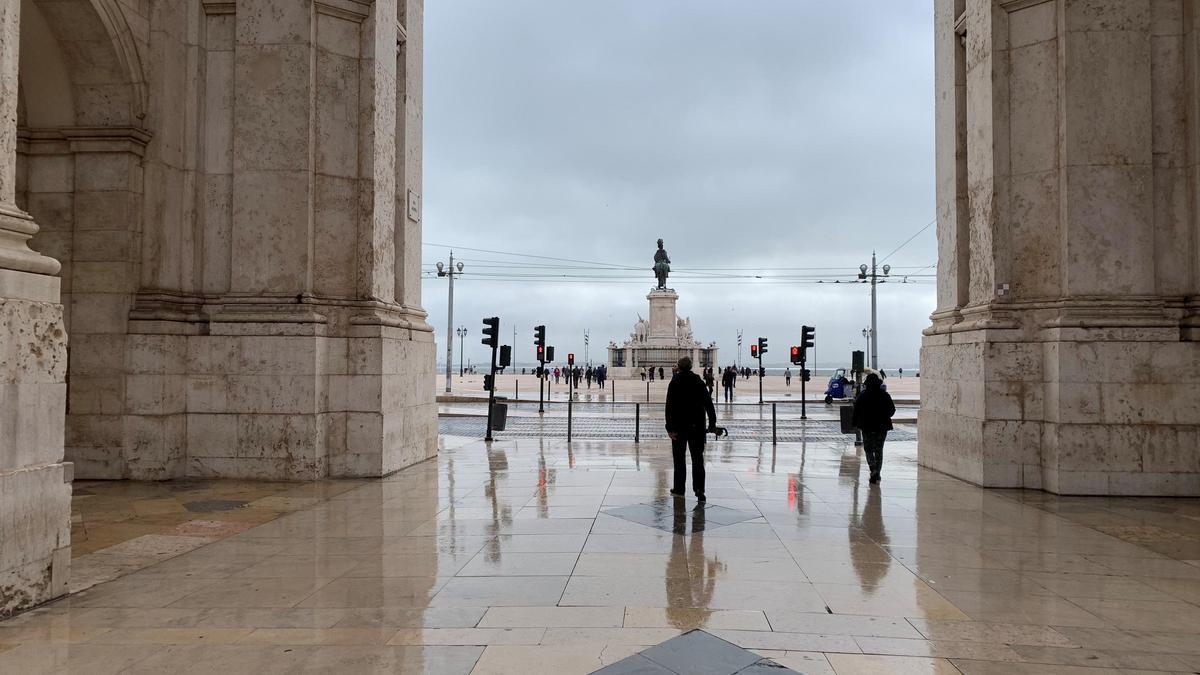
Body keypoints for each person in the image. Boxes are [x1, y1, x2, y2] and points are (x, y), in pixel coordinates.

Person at [665, 356, 718, 502]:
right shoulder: (698, 382)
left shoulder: (674, 382)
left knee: (679, 459)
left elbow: (669, 407)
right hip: (697, 427)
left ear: (679, 367)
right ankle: (699, 490)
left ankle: (679, 489)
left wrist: (669, 428)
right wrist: (712, 424)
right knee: (697, 460)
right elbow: (709, 405)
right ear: (691, 367)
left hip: (679, 427)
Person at [852, 373, 895, 484]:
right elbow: (892, 411)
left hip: (867, 426)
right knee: (879, 450)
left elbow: (856, 411)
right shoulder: (885, 395)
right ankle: (878, 473)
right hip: (882, 427)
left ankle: (873, 468)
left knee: (868, 449)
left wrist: (854, 423)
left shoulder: (862, 395)